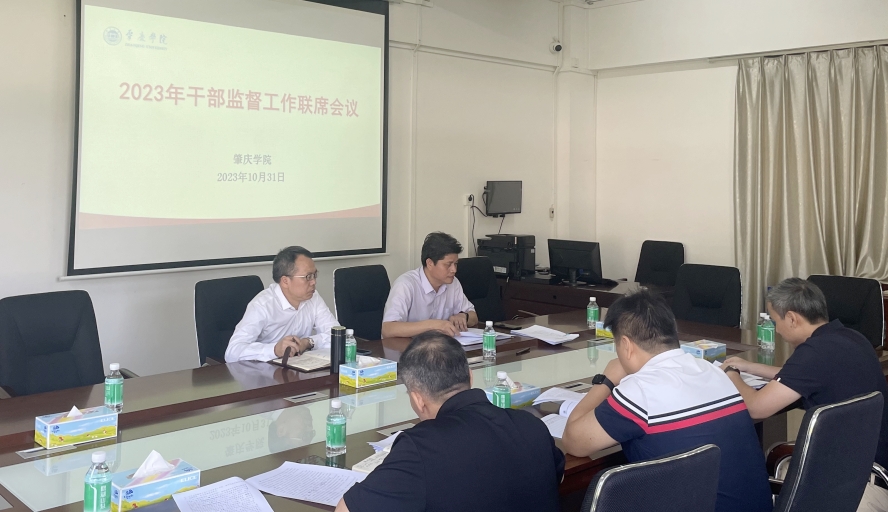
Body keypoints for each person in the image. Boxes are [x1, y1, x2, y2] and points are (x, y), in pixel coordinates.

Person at [562, 289, 772, 512]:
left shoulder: (640, 391)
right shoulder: (713, 371)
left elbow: (574, 441)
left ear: (626, 345)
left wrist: (606, 380)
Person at [336, 331, 564, 512]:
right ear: (470, 377)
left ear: (418, 399)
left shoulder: (419, 449)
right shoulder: (532, 425)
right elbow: (557, 476)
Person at [722, 277, 888, 469]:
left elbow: (756, 408)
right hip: (873, 455)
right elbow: (801, 376)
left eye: (776, 321)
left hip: (844, 467)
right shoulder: (852, 336)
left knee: (761, 459)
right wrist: (750, 367)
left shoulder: (813, 352)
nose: (777, 330)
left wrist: (731, 373)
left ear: (792, 319)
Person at [224, 246, 338, 363]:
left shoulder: (313, 297)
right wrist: (274, 350)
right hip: (264, 370)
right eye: (308, 277)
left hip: (299, 366)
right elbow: (232, 352)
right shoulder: (262, 305)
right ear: (285, 281)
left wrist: (308, 342)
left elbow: (338, 336)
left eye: (315, 275)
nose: (314, 282)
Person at [381, 232, 477, 338]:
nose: (454, 270)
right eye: (448, 264)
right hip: (409, 346)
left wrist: (463, 316)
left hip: (441, 345)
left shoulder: (453, 283)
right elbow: (388, 329)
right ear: (430, 263)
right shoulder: (405, 285)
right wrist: (434, 325)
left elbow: (473, 316)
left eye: (456, 264)